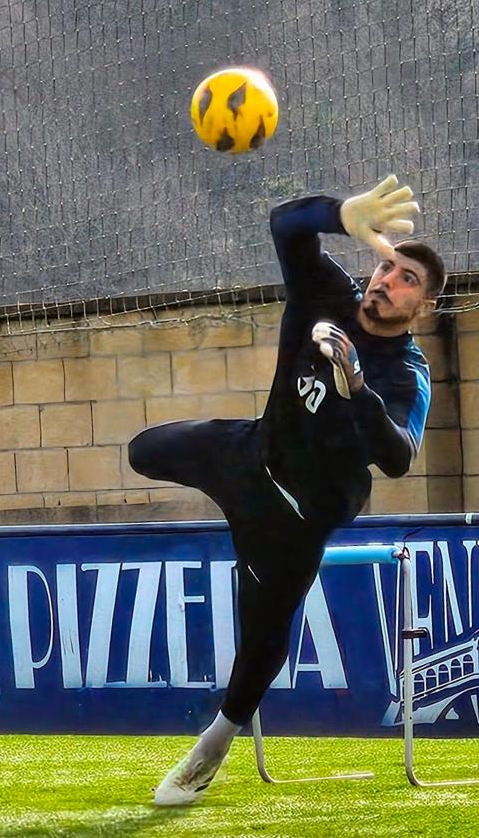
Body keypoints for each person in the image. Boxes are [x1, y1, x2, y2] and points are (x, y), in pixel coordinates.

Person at [128, 176, 446, 806]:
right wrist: (342, 213)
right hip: (252, 453)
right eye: (386, 265)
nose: (388, 280)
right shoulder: (324, 292)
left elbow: (400, 458)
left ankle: (214, 744)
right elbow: (284, 223)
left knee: (263, 635)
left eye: (407, 279)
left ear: (424, 307)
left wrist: (356, 385)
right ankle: (228, 490)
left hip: (296, 516)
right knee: (144, 450)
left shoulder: (406, 373)